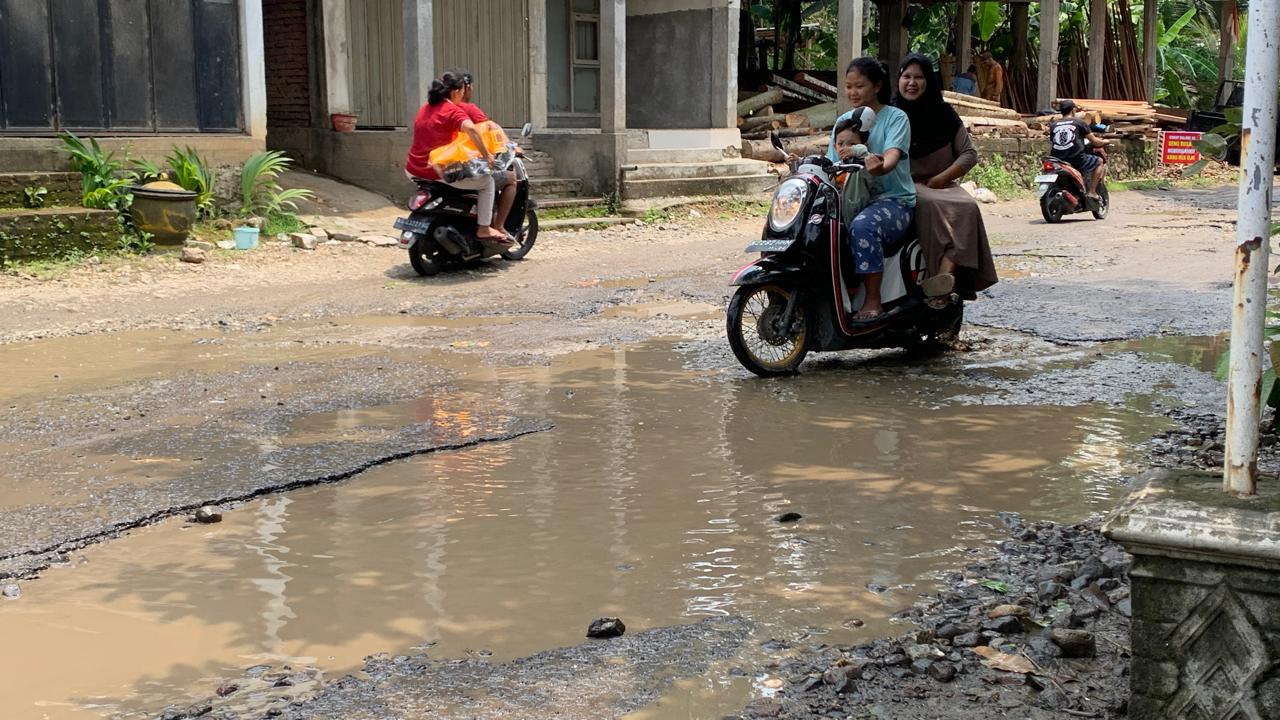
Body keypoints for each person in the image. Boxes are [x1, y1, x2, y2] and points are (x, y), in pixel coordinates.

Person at [893, 53, 998, 302]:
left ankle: (943, 276)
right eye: (906, 76)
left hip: (941, 184)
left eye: (919, 77)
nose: (912, 82)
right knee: (930, 204)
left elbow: (968, 154)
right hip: (905, 184)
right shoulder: (891, 114)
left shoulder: (944, 114)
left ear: (929, 80)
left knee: (969, 206)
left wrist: (941, 179)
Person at [828, 57, 916, 322]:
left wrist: (879, 166)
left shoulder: (896, 118)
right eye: (848, 86)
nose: (853, 92)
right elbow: (833, 161)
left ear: (877, 86)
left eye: (860, 86)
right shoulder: (844, 120)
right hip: (851, 196)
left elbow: (891, 156)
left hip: (893, 201)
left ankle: (872, 299)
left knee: (863, 226)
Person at [404, 71, 510, 243]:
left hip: (412, 169)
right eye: (461, 91)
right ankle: (484, 228)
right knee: (487, 182)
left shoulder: (425, 108)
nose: (462, 94)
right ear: (455, 92)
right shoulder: (452, 111)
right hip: (436, 171)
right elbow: (473, 130)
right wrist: (487, 156)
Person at [453, 69, 517, 235]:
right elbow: (493, 132)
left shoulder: (438, 109)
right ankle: (497, 226)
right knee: (511, 179)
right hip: (467, 165)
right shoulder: (469, 109)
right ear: (467, 88)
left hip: (444, 164)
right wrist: (512, 147)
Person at [1049, 100, 1109, 201]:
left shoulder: (1054, 125)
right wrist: (1106, 141)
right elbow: (1095, 142)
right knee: (1099, 161)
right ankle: (1092, 192)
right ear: (1073, 110)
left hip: (1056, 158)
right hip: (1076, 158)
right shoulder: (1079, 122)